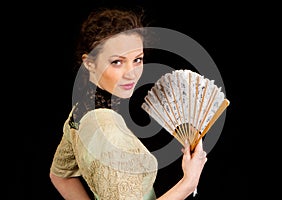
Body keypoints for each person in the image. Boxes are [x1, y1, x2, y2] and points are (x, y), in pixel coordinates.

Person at [49, 7, 207, 200]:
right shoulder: (110, 133)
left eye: (137, 60)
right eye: (117, 62)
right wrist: (189, 182)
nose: (131, 73)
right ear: (89, 63)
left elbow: (60, 176)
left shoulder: (79, 112)